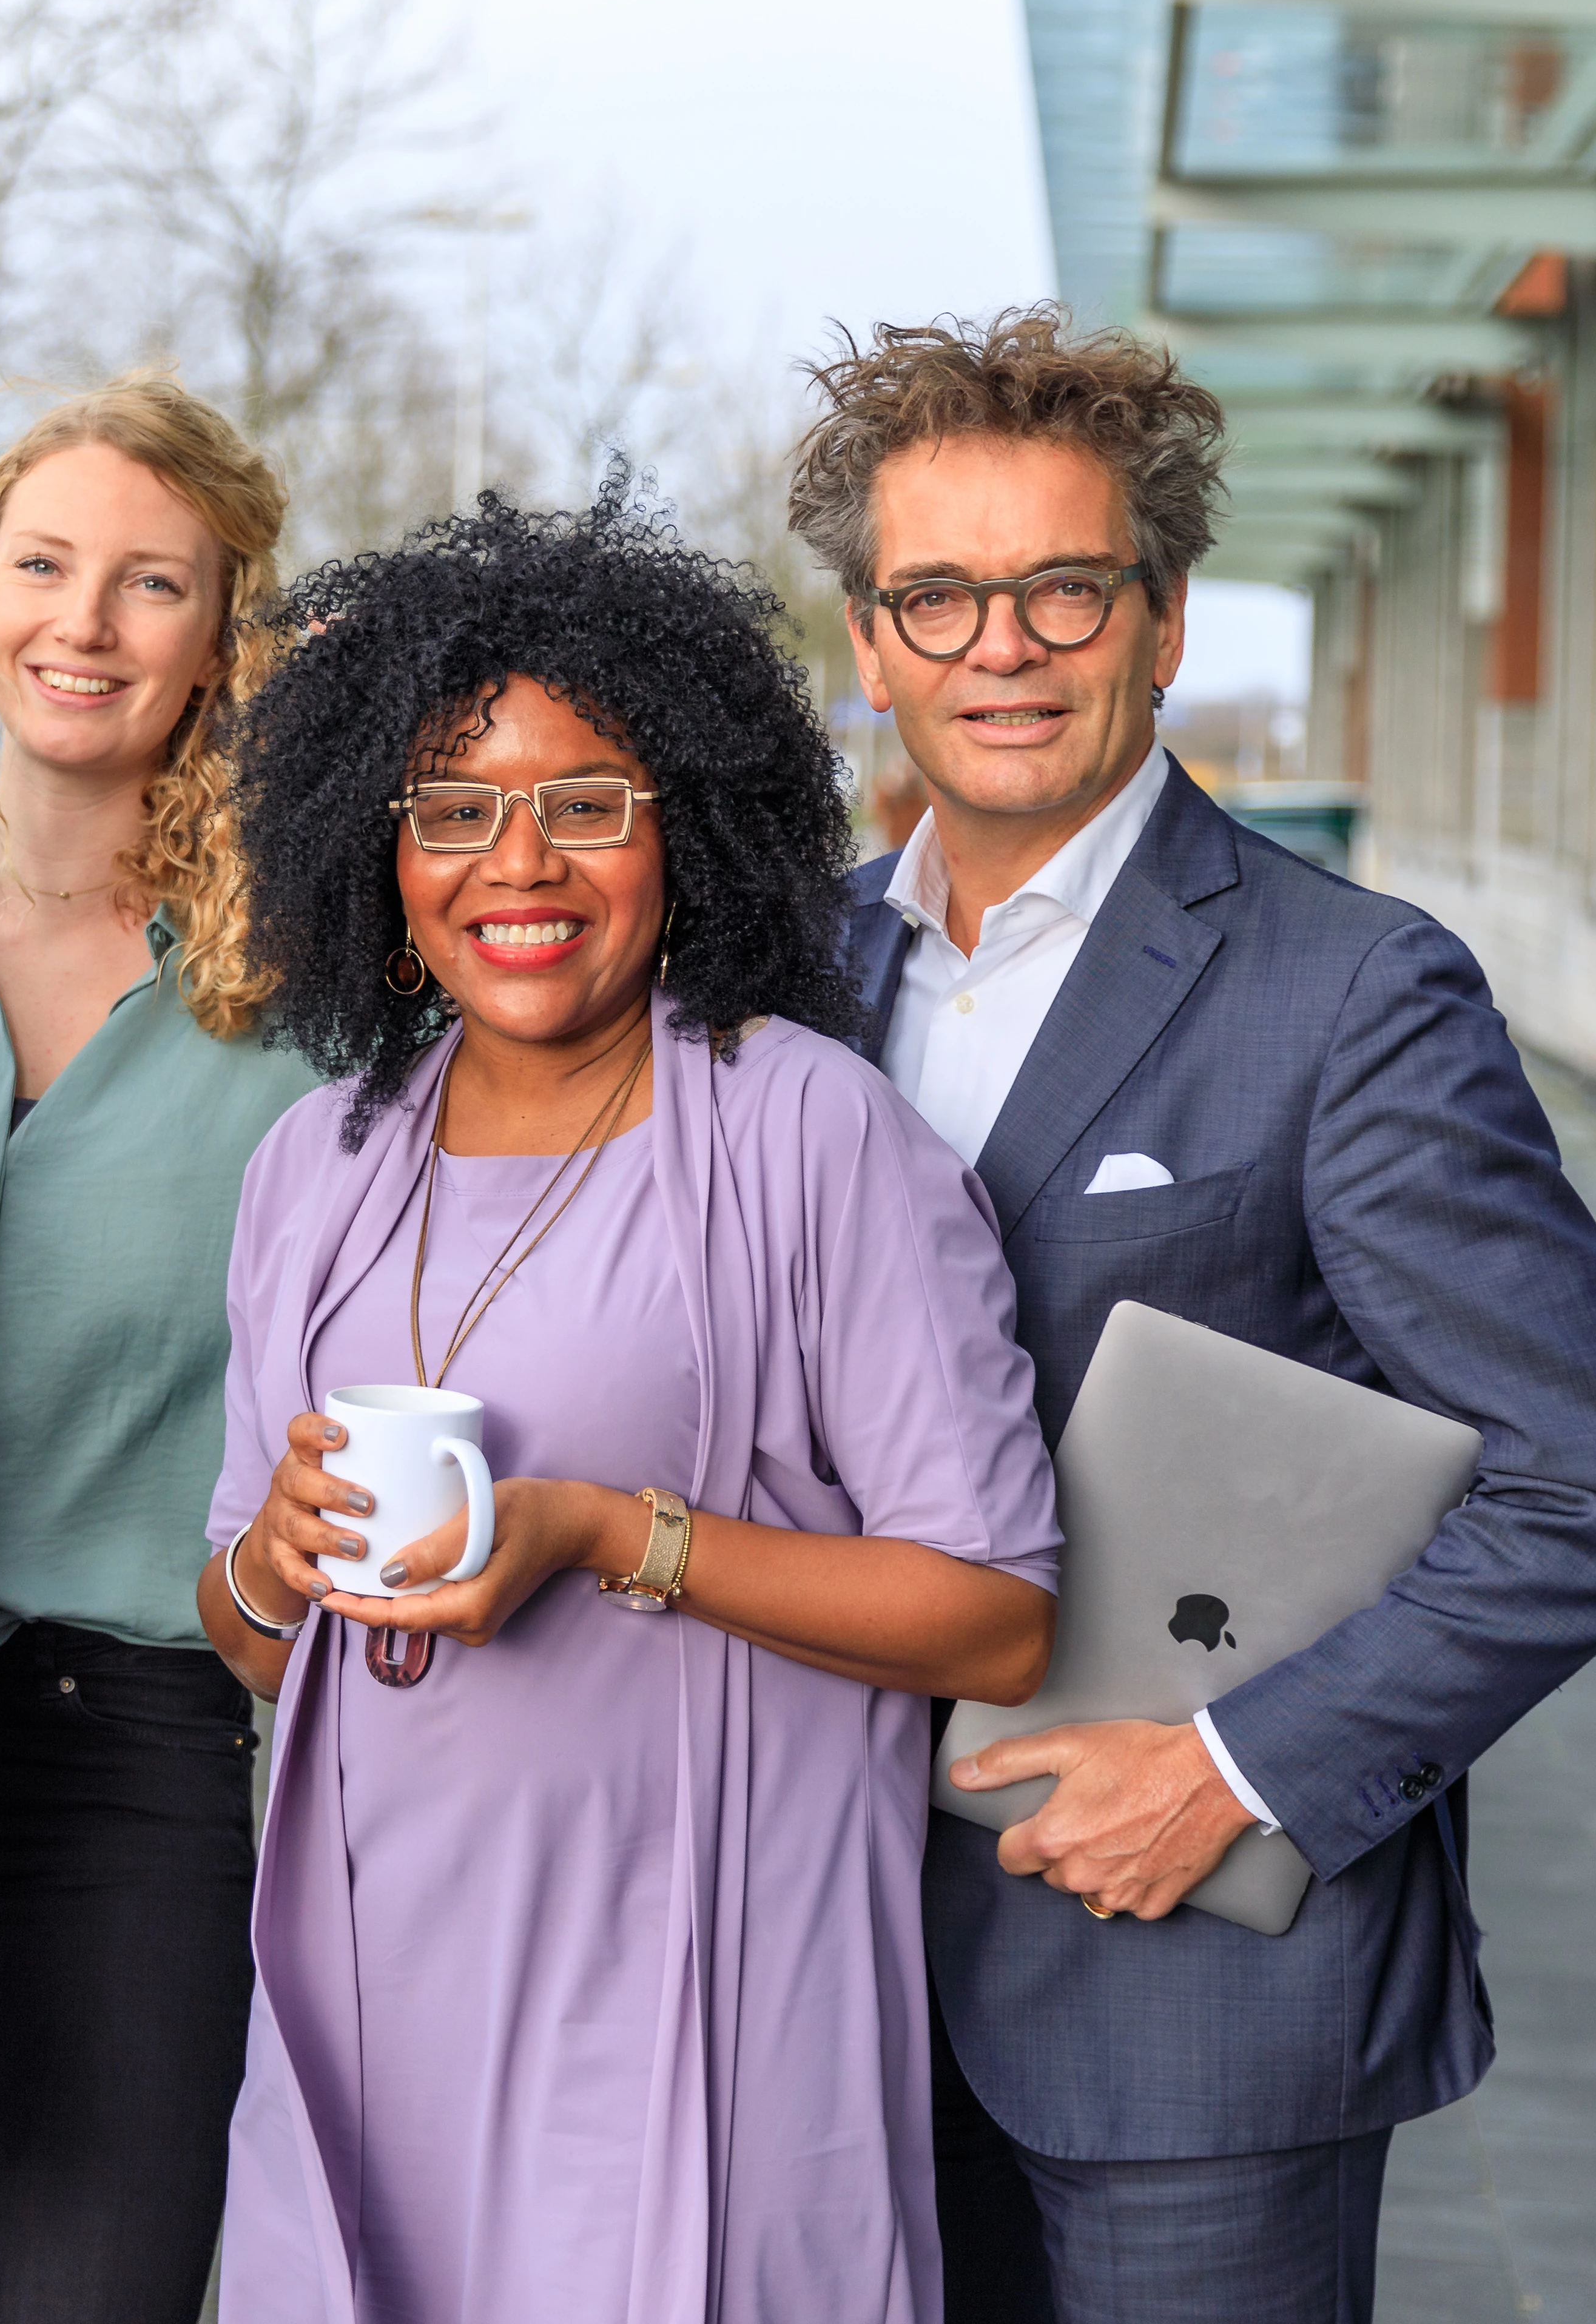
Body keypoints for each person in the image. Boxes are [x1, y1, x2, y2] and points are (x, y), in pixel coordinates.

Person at [789, 308, 1596, 2323]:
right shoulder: (784, 982)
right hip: (818, 1993)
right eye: (938, 597)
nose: (997, 648)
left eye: (1060, 589)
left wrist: (1238, 1769)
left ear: (1163, 619)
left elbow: (1594, 1489)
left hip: (1187, 2001)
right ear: (868, 640)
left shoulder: (1355, 994)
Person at [198, 496, 1065, 2323]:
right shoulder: (317, 1164)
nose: (520, 864)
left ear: (691, 830)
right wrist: (275, 1564)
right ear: (382, 851)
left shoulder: (807, 1132)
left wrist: (611, 1533)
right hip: (379, 1997)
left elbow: (992, 1618)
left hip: (701, 1998)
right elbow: (257, 1639)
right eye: (454, 810)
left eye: (587, 802)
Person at [0, 373, 320, 2323]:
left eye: (151, 584)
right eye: (44, 566)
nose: (84, 626)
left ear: (222, 638)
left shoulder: (314, 1006)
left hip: (135, 1768)